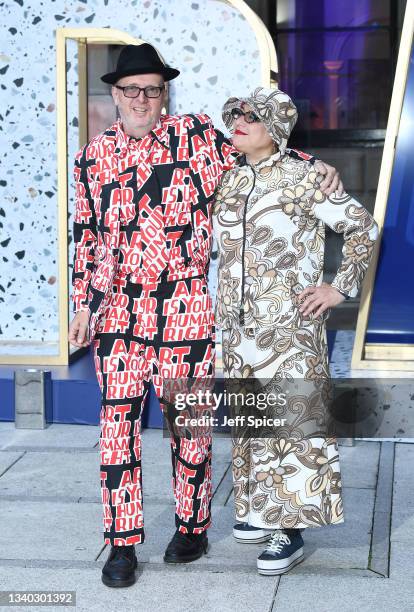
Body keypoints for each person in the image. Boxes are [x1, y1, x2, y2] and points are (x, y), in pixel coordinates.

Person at [68, 44, 343, 588]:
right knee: (116, 428)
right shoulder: (92, 157)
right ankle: (121, 544)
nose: (141, 99)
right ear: (115, 95)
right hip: (119, 309)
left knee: (187, 426)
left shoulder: (196, 136)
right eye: (130, 90)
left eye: (151, 89)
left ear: (163, 93)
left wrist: (316, 168)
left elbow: (262, 156)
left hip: (187, 304)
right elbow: (86, 238)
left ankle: (192, 526)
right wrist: (82, 303)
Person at [213, 87, 379, 576]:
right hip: (238, 326)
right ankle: (258, 509)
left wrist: (338, 288)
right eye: (236, 114)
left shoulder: (305, 178)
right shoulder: (226, 178)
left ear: (277, 128)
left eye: (252, 116)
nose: (239, 121)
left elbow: (362, 229)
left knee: (293, 426)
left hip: (289, 328)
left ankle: (291, 529)